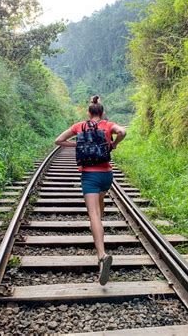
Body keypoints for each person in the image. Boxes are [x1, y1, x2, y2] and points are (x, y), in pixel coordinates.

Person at [54, 95, 126, 285]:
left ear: (89, 112)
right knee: (100, 208)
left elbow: (58, 141)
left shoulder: (79, 126)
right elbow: (123, 132)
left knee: (93, 215)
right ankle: (99, 227)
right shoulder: (108, 125)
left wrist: (78, 143)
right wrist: (114, 144)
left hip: (89, 177)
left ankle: (101, 255)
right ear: (102, 113)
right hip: (106, 176)